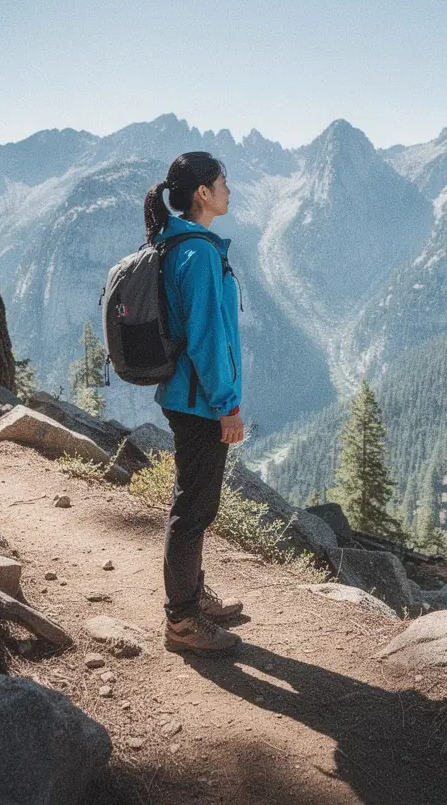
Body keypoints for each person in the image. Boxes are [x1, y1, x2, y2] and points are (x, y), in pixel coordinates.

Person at [143, 151, 245, 656]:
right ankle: (182, 620)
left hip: (185, 395)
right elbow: (207, 337)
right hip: (200, 400)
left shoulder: (177, 243)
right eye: (223, 182)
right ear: (202, 193)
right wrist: (227, 405)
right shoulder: (199, 252)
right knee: (194, 510)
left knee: (194, 505)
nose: (229, 189)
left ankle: (191, 596)